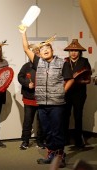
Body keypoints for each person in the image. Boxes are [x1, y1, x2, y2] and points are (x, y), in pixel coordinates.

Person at [19, 27, 74, 168]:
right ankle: (51, 155)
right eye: (42, 49)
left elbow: (70, 80)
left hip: (57, 104)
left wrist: (62, 91)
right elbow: (26, 48)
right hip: (42, 103)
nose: (45, 49)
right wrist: (23, 33)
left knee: (57, 130)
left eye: (47, 47)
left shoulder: (63, 63)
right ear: (40, 53)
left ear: (52, 50)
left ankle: (60, 156)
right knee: (47, 131)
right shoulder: (38, 62)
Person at [63, 39, 92, 148]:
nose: (73, 53)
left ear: (79, 52)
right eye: (71, 50)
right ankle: (65, 139)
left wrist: (78, 80)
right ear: (69, 52)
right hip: (67, 93)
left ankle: (78, 141)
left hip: (79, 93)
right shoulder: (65, 61)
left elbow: (88, 79)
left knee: (78, 116)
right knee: (65, 116)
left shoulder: (84, 61)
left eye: (76, 51)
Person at [18, 44, 45, 150]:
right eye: (35, 53)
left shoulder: (44, 66)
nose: (36, 55)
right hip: (29, 97)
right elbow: (20, 77)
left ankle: (40, 140)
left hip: (42, 97)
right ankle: (25, 141)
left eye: (38, 53)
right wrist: (27, 84)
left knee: (42, 121)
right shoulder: (26, 66)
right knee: (28, 120)